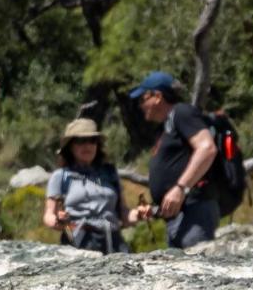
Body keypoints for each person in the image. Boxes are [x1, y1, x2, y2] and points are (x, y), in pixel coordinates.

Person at [123, 71, 220, 249]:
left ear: (158, 96)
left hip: (194, 211)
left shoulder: (181, 113)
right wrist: (155, 208)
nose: (141, 105)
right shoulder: (166, 127)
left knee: (196, 270)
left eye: (143, 99)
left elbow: (207, 148)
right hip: (179, 216)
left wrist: (180, 188)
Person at [43, 118, 130, 253]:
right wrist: (58, 221)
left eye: (92, 141)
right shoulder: (61, 176)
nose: (87, 146)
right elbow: (49, 215)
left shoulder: (110, 173)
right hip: (78, 243)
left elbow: (124, 214)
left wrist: (141, 214)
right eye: (80, 141)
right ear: (70, 146)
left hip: (114, 242)